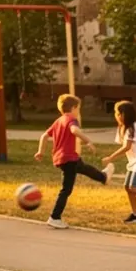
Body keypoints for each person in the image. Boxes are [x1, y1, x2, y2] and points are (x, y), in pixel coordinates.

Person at [35, 94, 113, 229]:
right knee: (66, 190)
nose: (78, 112)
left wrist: (40, 151)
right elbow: (74, 130)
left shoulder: (58, 121)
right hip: (68, 158)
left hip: (63, 158)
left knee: (83, 167)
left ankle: (103, 177)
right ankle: (54, 217)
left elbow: (44, 136)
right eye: (78, 109)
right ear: (73, 108)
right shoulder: (71, 119)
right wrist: (88, 141)